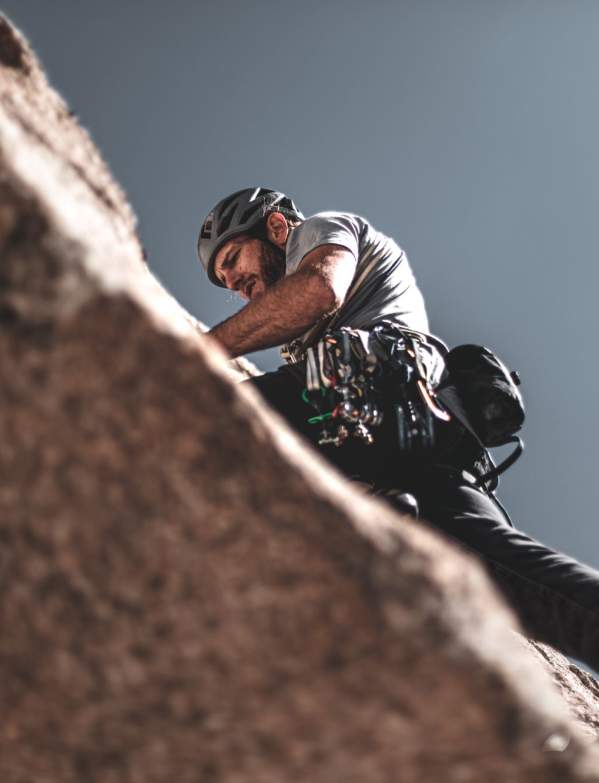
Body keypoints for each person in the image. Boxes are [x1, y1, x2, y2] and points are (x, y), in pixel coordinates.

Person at [198, 186, 599, 673]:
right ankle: (387, 511)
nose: (235, 283)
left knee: (206, 423)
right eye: (224, 279)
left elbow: (319, 289)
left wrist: (201, 350)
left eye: (234, 260)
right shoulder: (305, 338)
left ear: (277, 230)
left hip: (385, 394)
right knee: (515, 578)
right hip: (434, 447)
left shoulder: (321, 230)